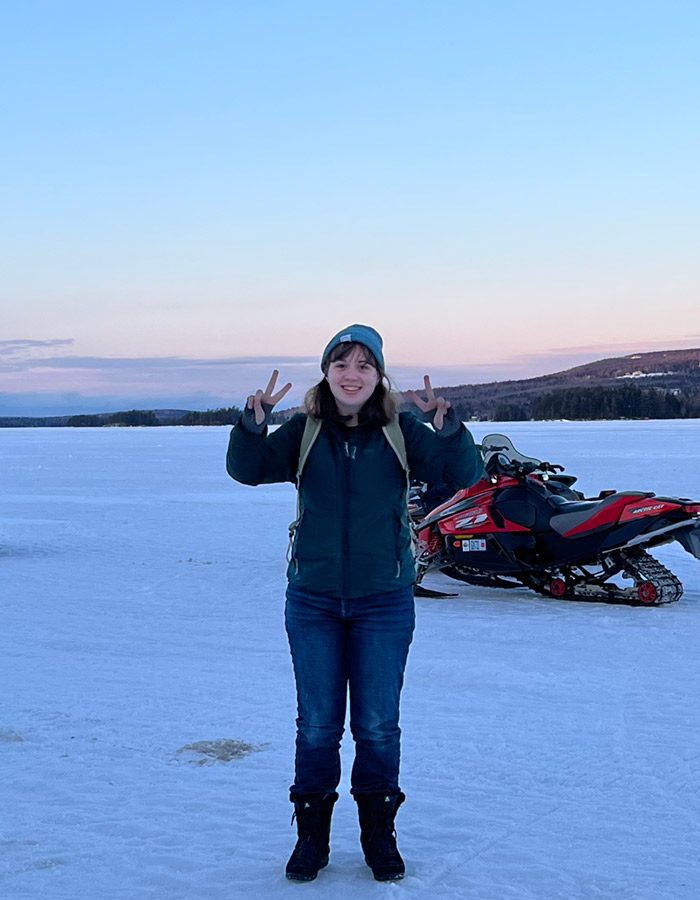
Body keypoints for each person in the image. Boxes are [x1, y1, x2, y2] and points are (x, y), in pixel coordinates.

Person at [226, 324, 482, 882]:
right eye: (341, 363)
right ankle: (311, 837)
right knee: (317, 724)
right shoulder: (303, 429)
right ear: (326, 372)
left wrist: (449, 431)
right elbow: (248, 470)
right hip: (313, 599)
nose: (351, 374)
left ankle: (378, 834)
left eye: (364, 365)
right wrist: (251, 425)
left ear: (378, 376)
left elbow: (464, 474)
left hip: (383, 600)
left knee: (377, 725)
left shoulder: (402, 429)